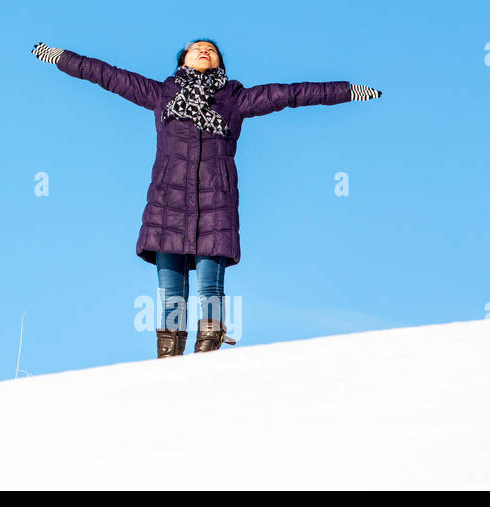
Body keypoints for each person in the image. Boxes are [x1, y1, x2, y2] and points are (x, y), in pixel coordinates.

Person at [32, 38, 381, 357]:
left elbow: (292, 93)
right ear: (182, 59)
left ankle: (208, 356)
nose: (203, 51)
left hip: (216, 206)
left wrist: (349, 90)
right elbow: (105, 74)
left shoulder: (235, 100)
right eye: (196, 48)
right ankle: (168, 360)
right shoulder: (161, 95)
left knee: (210, 286)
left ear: (219, 63)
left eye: (211, 50)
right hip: (167, 205)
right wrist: (59, 57)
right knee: (171, 292)